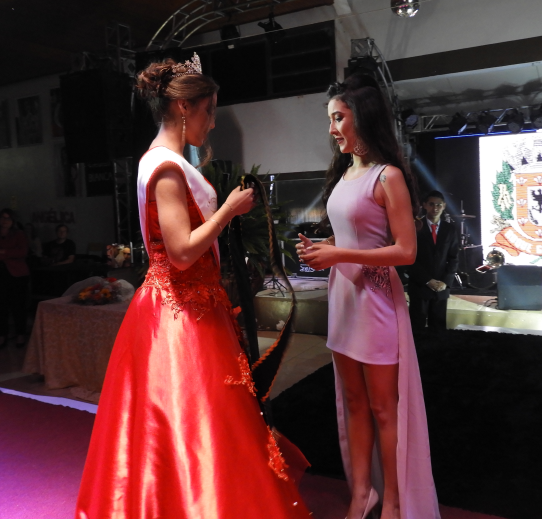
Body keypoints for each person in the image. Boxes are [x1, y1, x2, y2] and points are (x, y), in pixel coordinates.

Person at [75, 54, 312, 519]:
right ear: (185, 108)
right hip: (180, 315)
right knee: (193, 420)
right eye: (209, 111)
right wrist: (228, 210)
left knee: (195, 424)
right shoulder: (165, 168)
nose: (213, 122)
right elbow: (182, 252)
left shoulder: (167, 162)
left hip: (192, 306)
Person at [297, 73, 440, 519]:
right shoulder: (345, 175)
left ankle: (394, 500)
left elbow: (406, 251)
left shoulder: (388, 176)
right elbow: (351, 235)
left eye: (338, 118)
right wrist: (322, 249)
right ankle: (362, 495)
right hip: (343, 300)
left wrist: (338, 252)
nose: (332, 128)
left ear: (362, 117)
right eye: (330, 119)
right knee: (354, 404)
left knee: (382, 408)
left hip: (377, 303)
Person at [404, 190, 460, 335]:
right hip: (420, 286)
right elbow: (408, 258)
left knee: (439, 330)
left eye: (439, 205)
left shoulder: (450, 229)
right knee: (417, 330)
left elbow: (453, 258)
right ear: (424, 205)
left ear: (444, 206)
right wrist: (427, 280)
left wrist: (445, 282)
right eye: (431, 204)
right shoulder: (413, 227)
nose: (435, 208)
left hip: (441, 287)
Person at [0, 209, 29, 349]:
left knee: (18, 305)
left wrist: (2, 252)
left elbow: (22, 252)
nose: (5, 221)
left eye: (8, 218)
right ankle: (2, 335)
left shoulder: (19, 234)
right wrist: (10, 253)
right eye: (3, 218)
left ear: (13, 221)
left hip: (16, 274)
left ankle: (20, 334)